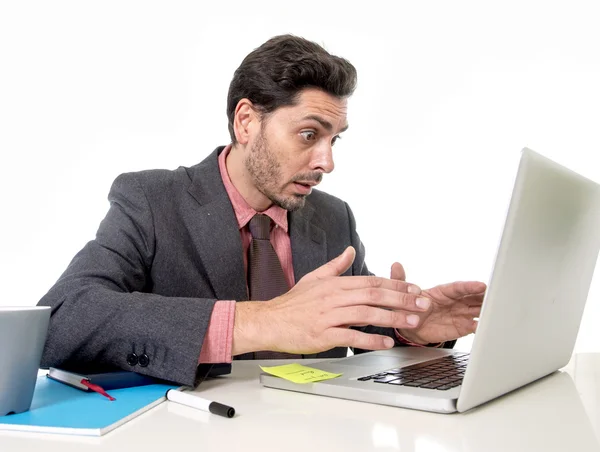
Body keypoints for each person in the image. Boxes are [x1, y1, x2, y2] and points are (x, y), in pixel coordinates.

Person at [38, 35, 486, 387]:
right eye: (310, 135)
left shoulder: (334, 219)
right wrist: (263, 322)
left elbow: (359, 335)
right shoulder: (152, 201)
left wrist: (411, 328)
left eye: (335, 139)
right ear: (246, 121)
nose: (327, 162)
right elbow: (62, 320)